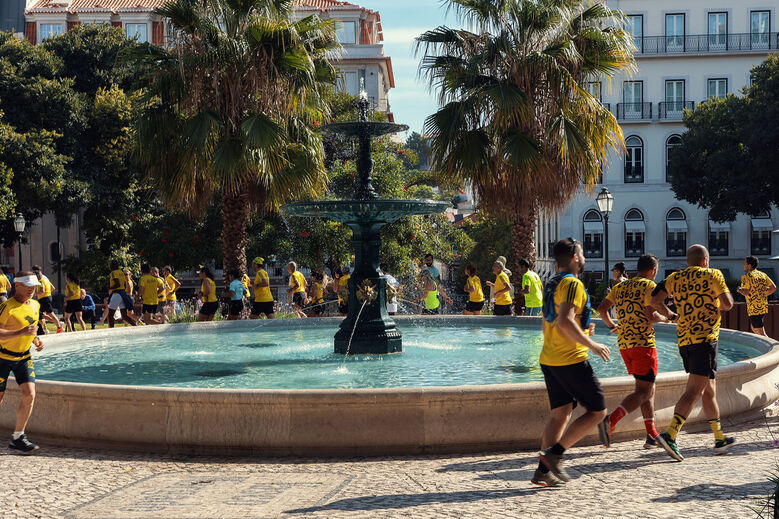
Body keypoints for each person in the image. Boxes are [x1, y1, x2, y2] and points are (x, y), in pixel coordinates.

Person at [532, 238, 611, 487]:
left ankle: (542, 472)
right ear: (575, 257)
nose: (585, 256)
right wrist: (593, 345)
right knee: (598, 411)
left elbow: (549, 322)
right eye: (583, 252)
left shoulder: (552, 282)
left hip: (550, 358)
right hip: (571, 360)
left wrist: (583, 334)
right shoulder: (573, 284)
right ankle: (555, 455)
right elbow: (566, 321)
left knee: (561, 414)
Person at [650, 244, 735, 461]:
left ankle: (718, 438)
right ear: (705, 261)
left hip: (685, 341)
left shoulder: (675, 278)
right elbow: (727, 304)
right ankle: (670, 435)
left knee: (709, 390)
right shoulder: (713, 274)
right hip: (705, 340)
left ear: (688, 261)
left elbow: (654, 300)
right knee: (694, 391)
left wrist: (671, 315)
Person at [596, 254, 667, 449]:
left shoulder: (620, 286)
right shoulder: (649, 286)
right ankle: (610, 421)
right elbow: (650, 315)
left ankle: (651, 435)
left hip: (625, 344)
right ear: (653, 270)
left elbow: (602, 309)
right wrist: (667, 318)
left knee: (645, 390)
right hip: (643, 343)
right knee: (645, 391)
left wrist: (612, 325)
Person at [0, 270, 44, 453]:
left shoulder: (35, 305)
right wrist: (21, 333)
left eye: (34, 286)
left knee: (29, 394)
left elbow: (31, 328)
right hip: (2, 358)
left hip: (24, 357)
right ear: (16, 285)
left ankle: (18, 437)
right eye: (27, 285)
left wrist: (36, 340)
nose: (31, 289)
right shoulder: (6, 307)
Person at [738, 256, 776, 336]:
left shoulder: (746, 276)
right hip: (763, 306)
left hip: (754, 308)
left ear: (749, 265)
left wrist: (739, 289)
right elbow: (773, 288)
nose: (743, 265)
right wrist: (762, 295)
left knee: (762, 333)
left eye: (744, 263)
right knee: (753, 327)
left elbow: (746, 292)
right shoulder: (762, 275)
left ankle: (773, 345)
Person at [31, 266, 61, 334]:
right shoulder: (46, 279)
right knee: (40, 314)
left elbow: (43, 291)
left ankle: (59, 326)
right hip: (47, 297)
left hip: (44, 299)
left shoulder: (40, 281)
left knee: (51, 314)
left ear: (37, 275)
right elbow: (53, 288)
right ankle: (44, 329)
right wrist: (48, 292)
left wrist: (36, 293)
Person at [106, 260, 136, 328]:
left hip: (116, 294)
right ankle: (135, 325)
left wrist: (110, 287)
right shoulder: (121, 272)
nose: (110, 266)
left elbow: (117, 284)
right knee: (124, 316)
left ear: (112, 266)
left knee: (110, 315)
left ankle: (111, 330)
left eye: (110, 264)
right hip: (123, 294)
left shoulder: (113, 273)